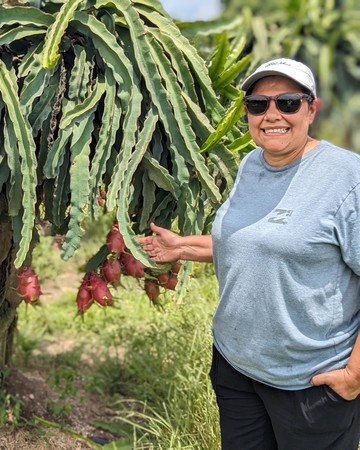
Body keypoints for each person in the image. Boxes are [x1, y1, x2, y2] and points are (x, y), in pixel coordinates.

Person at [138, 58, 360, 449]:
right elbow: (251, 242)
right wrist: (182, 246)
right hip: (236, 369)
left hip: (309, 384)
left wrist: (355, 375)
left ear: (312, 108)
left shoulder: (347, 176)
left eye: (288, 102)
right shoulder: (251, 163)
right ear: (248, 113)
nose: (272, 114)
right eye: (259, 105)